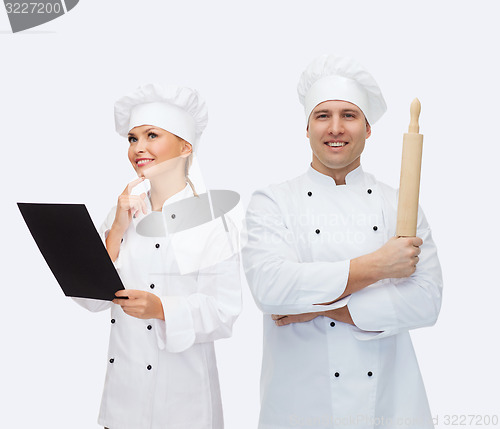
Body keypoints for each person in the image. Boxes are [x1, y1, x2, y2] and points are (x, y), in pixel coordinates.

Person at [242, 55, 442, 429]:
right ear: (306, 128)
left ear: (368, 129)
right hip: (300, 407)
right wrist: (378, 266)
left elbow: (427, 302)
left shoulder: (400, 204)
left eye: (349, 115)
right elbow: (270, 289)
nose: (336, 128)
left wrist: (318, 308)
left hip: (390, 405)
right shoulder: (272, 202)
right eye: (323, 115)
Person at [75, 83, 241, 429]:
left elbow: (223, 311)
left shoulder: (211, 220)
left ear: (185, 146)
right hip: (121, 404)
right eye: (133, 139)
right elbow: (91, 300)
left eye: (152, 135)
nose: (139, 148)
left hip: (184, 406)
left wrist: (161, 308)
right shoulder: (121, 212)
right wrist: (117, 230)